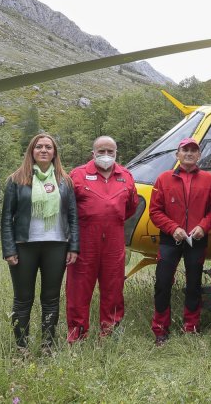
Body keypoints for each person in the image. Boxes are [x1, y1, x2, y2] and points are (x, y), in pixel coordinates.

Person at [1, 133, 79, 353]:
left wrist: (74, 246)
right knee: (23, 299)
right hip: (25, 245)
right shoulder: (16, 180)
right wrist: (9, 248)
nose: (44, 150)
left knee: (51, 298)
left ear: (54, 152)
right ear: (31, 151)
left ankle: (47, 344)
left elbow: (73, 216)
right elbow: (7, 217)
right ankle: (21, 346)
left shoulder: (65, 181)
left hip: (56, 244)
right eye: (39, 147)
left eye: (48, 147)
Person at [66, 136, 139, 342]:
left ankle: (110, 334)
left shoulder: (126, 176)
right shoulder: (77, 175)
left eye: (110, 152)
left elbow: (131, 207)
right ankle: (77, 336)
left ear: (116, 154)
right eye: (101, 152)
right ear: (93, 154)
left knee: (113, 288)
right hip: (84, 241)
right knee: (78, 290)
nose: (106, 156)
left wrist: (110, 218)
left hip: (114, 241)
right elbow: (68, 209)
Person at [149, 138, 211, 344]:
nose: (189, 153)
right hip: (170, 240)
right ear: (177, 154)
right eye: (185, 150)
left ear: (199, 155)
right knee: (162, 282)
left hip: (197, 239)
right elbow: (155, 211)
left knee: (194, 283)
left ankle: (191, 327)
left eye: (193, 151)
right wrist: (173, 228)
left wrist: (203, 227)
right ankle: (160, 329)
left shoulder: (209, 179)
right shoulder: (163, 179)